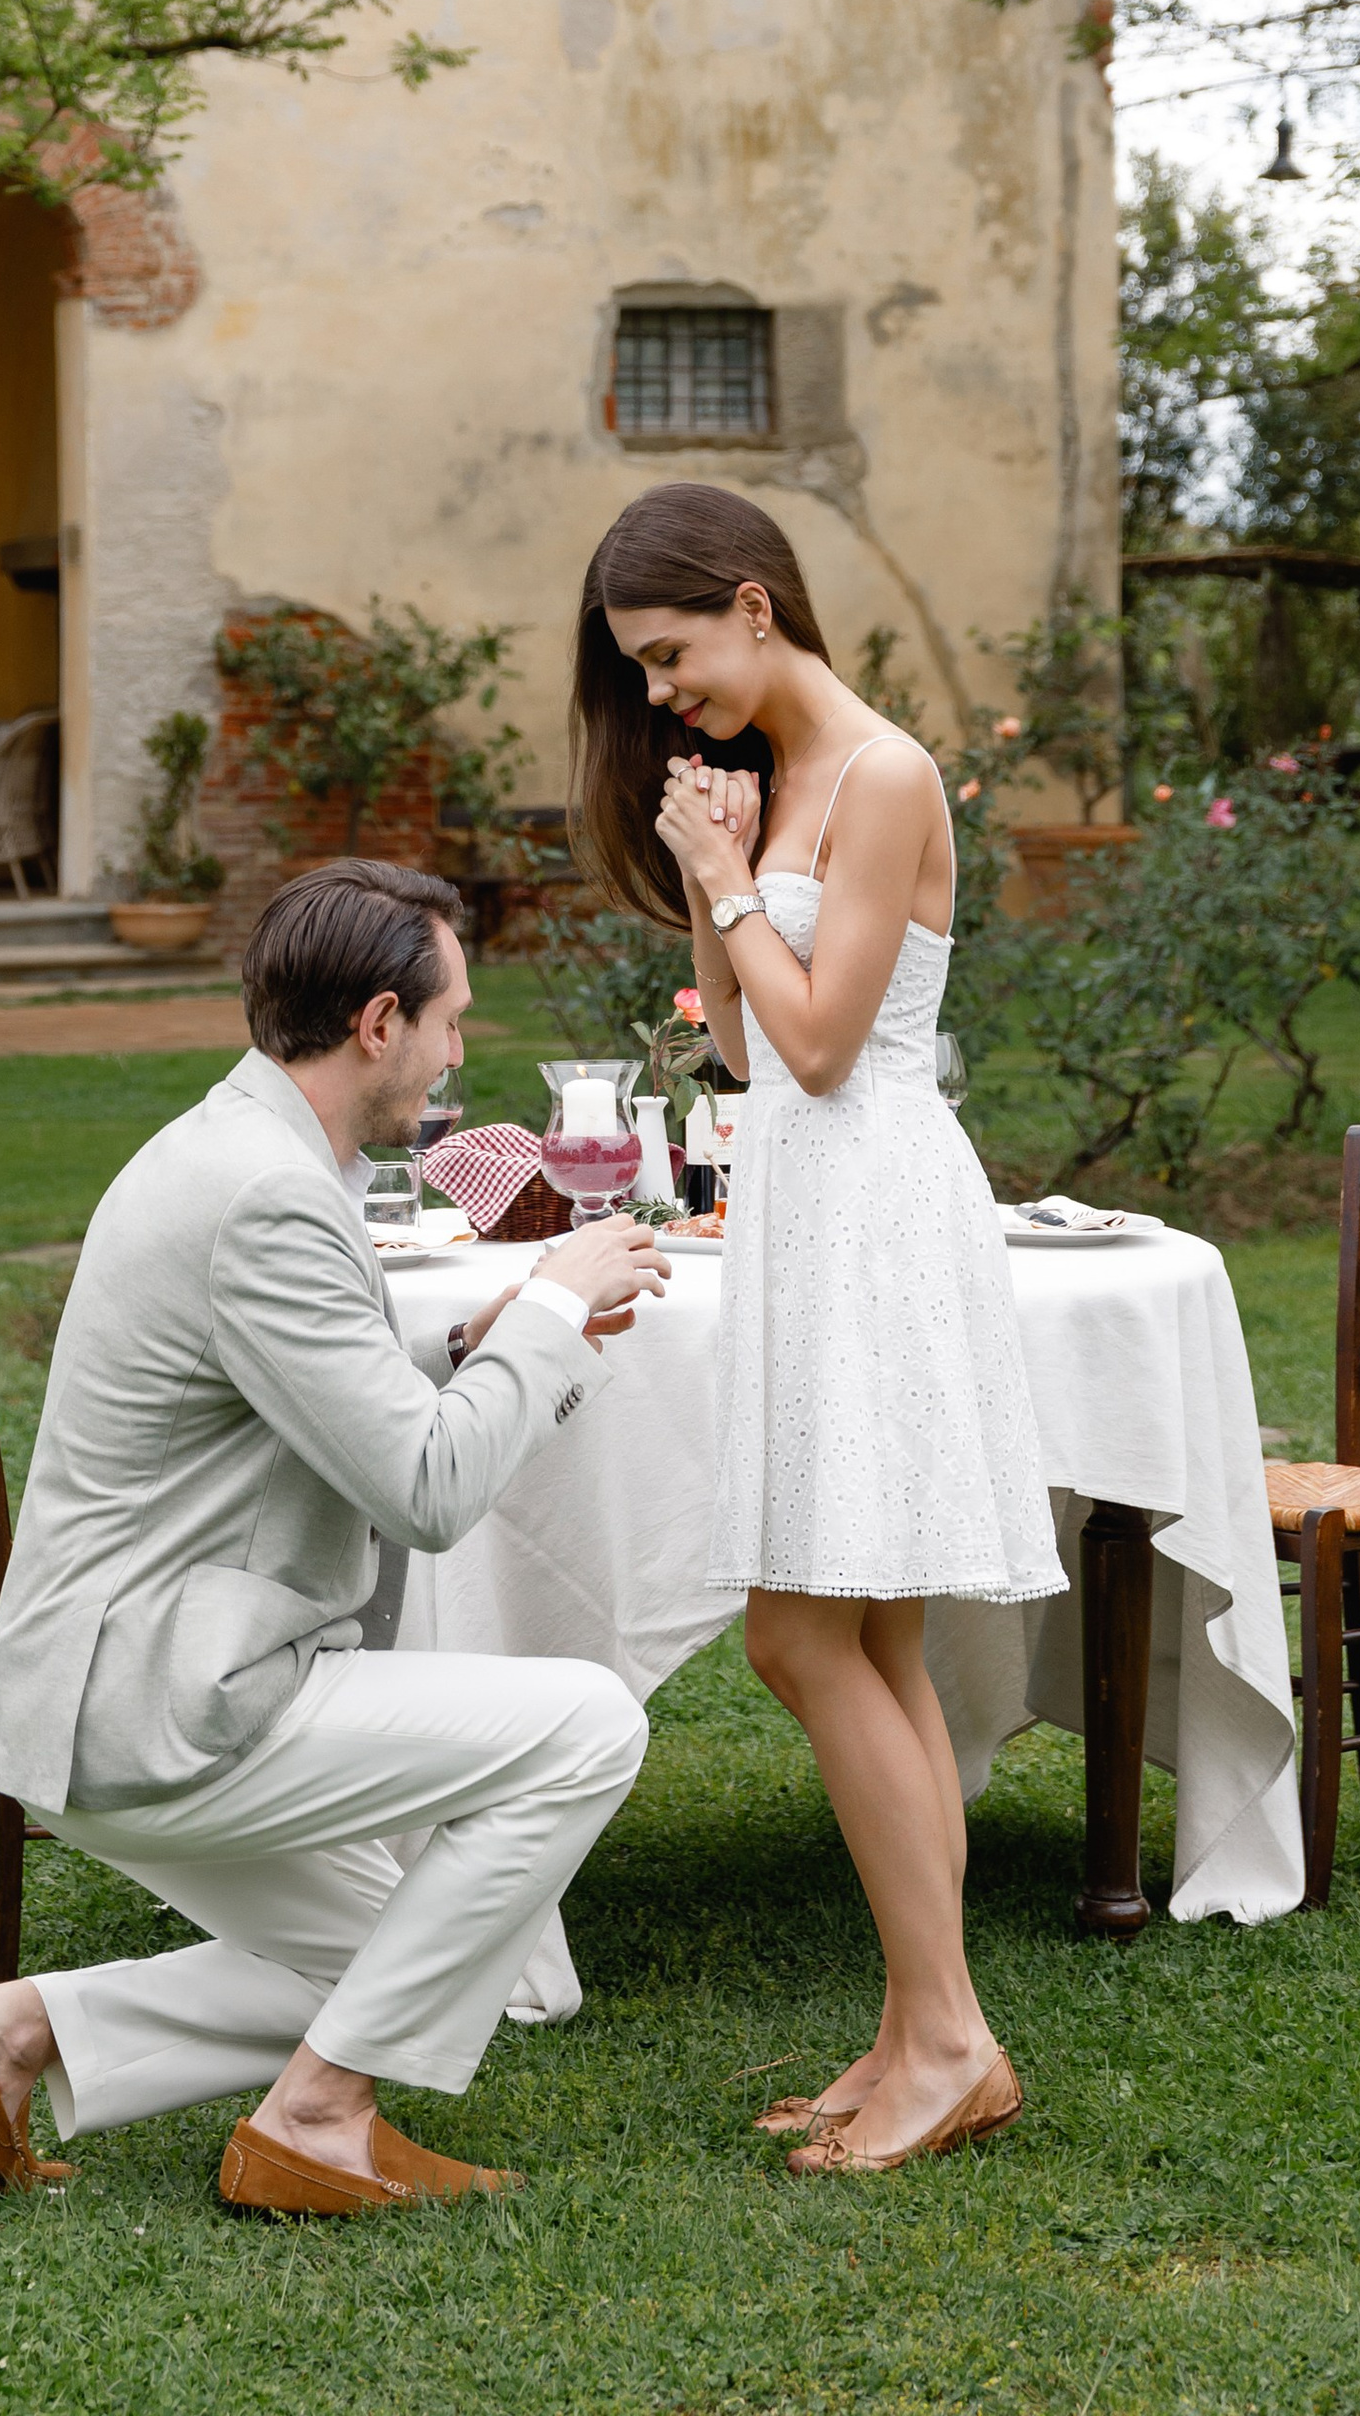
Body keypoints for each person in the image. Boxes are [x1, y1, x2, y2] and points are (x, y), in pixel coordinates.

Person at [0, 856, 668, 2218]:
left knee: (499, 1967)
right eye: (452, 1022)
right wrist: (545, 1308)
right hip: (156, 1702)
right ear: (378, 1025)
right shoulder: (270, 1194)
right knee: (590, 1724)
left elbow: (292, 1378)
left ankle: (12, 2038)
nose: (457, 1050)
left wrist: (469, 1339)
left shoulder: (245, 1149)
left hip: (128, 1681)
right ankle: (316, 2121)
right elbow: (424, 1491)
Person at [573, 483, 1063, 2176]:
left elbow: (834, 1044)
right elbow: (745, 1057)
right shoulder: (789, 786)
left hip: (873, 1210)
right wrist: (720, 877)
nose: (657, 694)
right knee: (871, 1647)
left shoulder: (887, 773)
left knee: (801, 1639)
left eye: (669, 652)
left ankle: (948, 2041)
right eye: (640, 669)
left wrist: (715, 873)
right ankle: (923, 2036)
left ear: (755, 604)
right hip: (809, 1201)